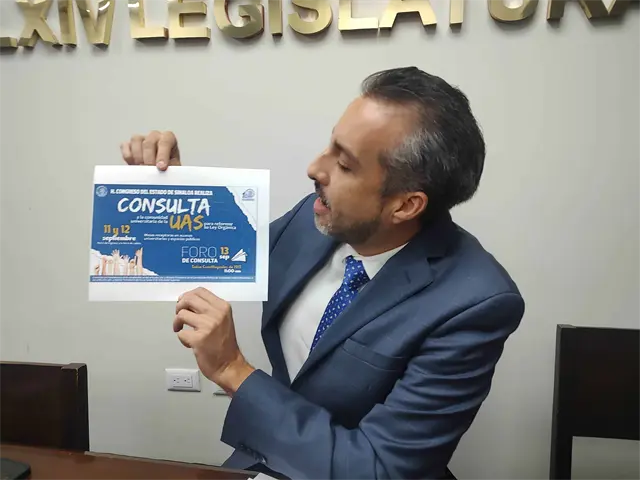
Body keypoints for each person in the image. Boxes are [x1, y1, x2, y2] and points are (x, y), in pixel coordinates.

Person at [120, 67, 525, 480]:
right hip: (271, 458)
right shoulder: (317, 217)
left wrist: (232, 370)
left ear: (405, 205)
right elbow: (221, 255)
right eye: (330, 145)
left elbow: (380, 470)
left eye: (344, 164)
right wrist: (174, 190)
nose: (315, 168)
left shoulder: (475, 303)